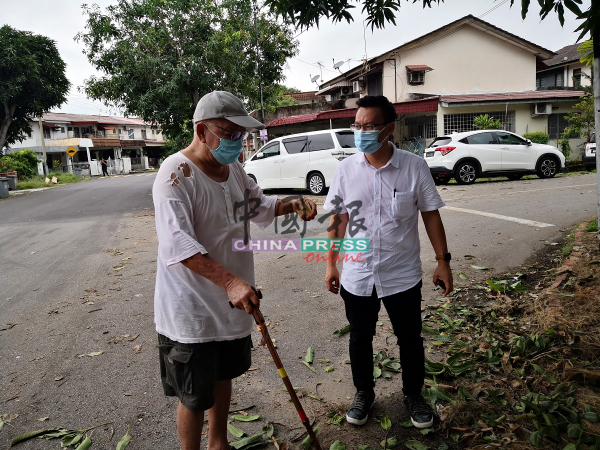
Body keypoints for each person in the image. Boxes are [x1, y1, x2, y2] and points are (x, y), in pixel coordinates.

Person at [152, 90, 317, 450]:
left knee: (224, 374)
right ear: (201, 131)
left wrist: (295, 204)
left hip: (234, 301)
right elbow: (176, 243)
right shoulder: (175, 175)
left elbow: (258, 208)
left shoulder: (234, 169)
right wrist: (229, 282)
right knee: (195, 394)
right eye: (228, 134)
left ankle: (218, 442)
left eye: (240, 134)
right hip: (192, 308)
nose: (236, 142)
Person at [323, 95, 453, 429]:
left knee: (409, 338)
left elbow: (431, 216)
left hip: (402, 274)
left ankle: (414, 395)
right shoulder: (345, 170)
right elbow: (338, 220)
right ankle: (364, 393)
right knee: (359, 337)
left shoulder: (414, 167)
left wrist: (443, 262)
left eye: (369, 126)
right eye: (357, 125)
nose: (361, 132)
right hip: (357, 273)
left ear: (389, 128)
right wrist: (331, 264)